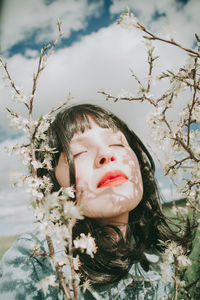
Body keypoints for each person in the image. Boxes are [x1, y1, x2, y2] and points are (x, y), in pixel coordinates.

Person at [0, 104, 189, 299]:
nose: (106, 155)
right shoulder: (36, 259)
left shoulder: (162, 252)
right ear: (51, 184)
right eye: (79, 152)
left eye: (117, 144)